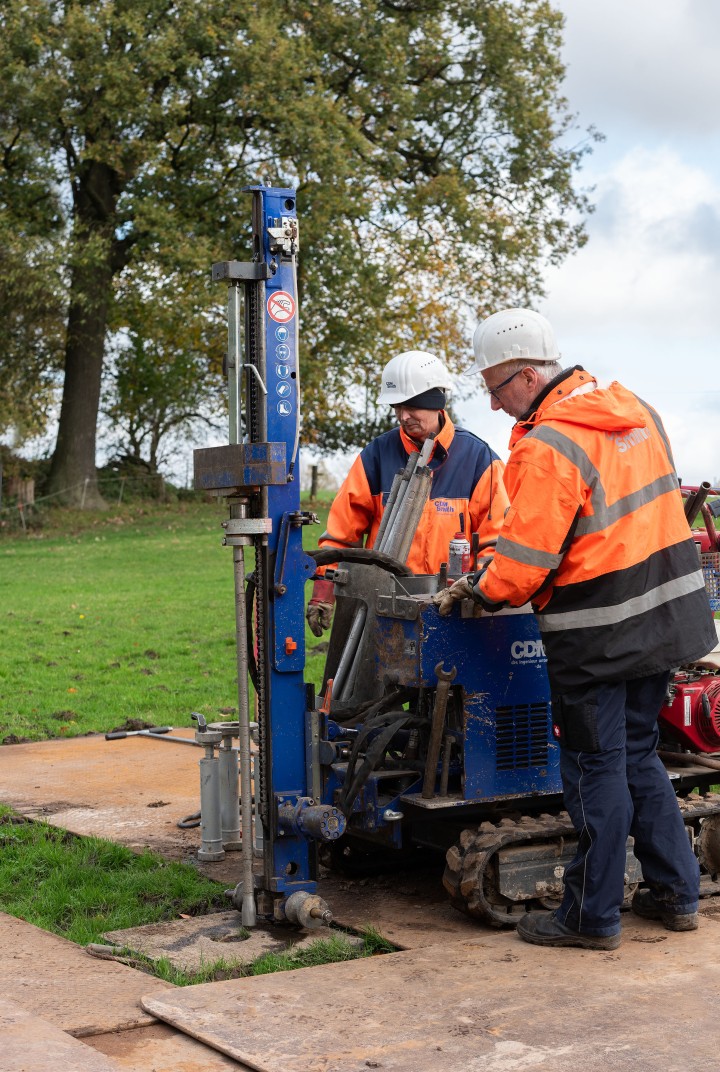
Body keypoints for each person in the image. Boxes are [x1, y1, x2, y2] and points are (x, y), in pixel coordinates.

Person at [435, 307, 716, 951]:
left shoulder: (550, 445)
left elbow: (522, 568)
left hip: (599, 635)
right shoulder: (636, 410)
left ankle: (591, 917)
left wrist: (476, 587)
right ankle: (676, 895)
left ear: (529, 377)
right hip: (667, 619)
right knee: (640, 756)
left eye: (497, 387)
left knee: (595, 768)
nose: (496, 403)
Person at [306, 349, 509, 637]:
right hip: (383, 608)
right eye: (396, 407)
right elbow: (341, 535)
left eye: (412, 407)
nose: (403, 416)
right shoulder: (376, 456)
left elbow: (495, 543)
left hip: (458, 610)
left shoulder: (480, 460)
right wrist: (322, 591)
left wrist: (475, 594)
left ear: (437, 403)